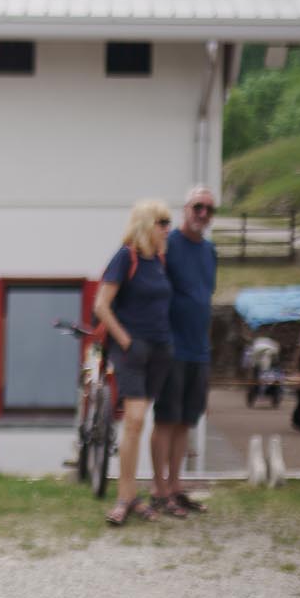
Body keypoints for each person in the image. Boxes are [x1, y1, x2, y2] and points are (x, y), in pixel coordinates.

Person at [95, 199, 175, 526]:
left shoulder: (158, 260)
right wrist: (126, 340)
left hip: (159, 349)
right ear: (146, 224)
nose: (167, 228)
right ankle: (124, 497)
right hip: (132, 349)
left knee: (140, 423)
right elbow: (102, 305)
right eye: (162, 222)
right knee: (134, 420)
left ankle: (132, 494)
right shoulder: (123, 257)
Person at [153, 185, 218, 516]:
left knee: (185, 422)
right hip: (171, 348)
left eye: (209, 209)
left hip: (199, 350)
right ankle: (159, 488)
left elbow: (204, 297)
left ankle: (176, 486)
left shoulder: (210, 251)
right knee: (165, 418)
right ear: (185, 209)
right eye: (198, 207)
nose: (203, 214)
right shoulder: (169, 245)